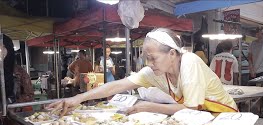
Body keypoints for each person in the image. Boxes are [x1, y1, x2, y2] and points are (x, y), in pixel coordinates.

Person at [48, 28, 238, 116]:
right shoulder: (156, 72)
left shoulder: (189, 62)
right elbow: (116, 85)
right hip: (205, 118)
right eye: (146, 58)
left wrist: (148, 107)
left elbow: (191, 108)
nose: (149, 63)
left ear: (172, 53)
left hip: (225, 116)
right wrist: (77, 99)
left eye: (152, 57)